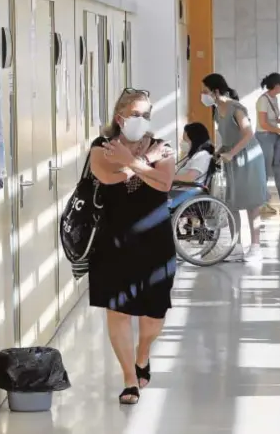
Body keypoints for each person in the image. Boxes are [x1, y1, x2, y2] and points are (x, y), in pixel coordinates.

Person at [89, 88, 176, 405]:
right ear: (120, 117)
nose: (142, 120)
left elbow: (165, 183)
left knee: (154, 314)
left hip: (155, 242)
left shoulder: (163, 147)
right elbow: (107, 176)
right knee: (119, 310)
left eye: (146, 115)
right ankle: (129, 378)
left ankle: (143, 354)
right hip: (114, 240)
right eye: (136, 114)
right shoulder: (102, 147)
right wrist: (141, 165)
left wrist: (130, 162)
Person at [201, 73, 267, 261]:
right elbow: (228, 137)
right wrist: (221, 151)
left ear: (215, 91)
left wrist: (231, 153)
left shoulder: (236, 108)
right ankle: (236, 245)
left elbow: (247, 134)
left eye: (204, 91)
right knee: (232, 202)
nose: (202, 95)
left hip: (249, 157)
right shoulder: (216, 111)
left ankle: (256, 247)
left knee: (251, 201)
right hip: (232, 158)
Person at [256, 73, 280, 215]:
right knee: (264, 170)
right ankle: (263, 203)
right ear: (277, 86)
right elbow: (263, 124)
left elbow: (272, 120)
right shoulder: (263, 100)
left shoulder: (274, 99)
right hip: (264, 137)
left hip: (274, 136)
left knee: (279, 168)